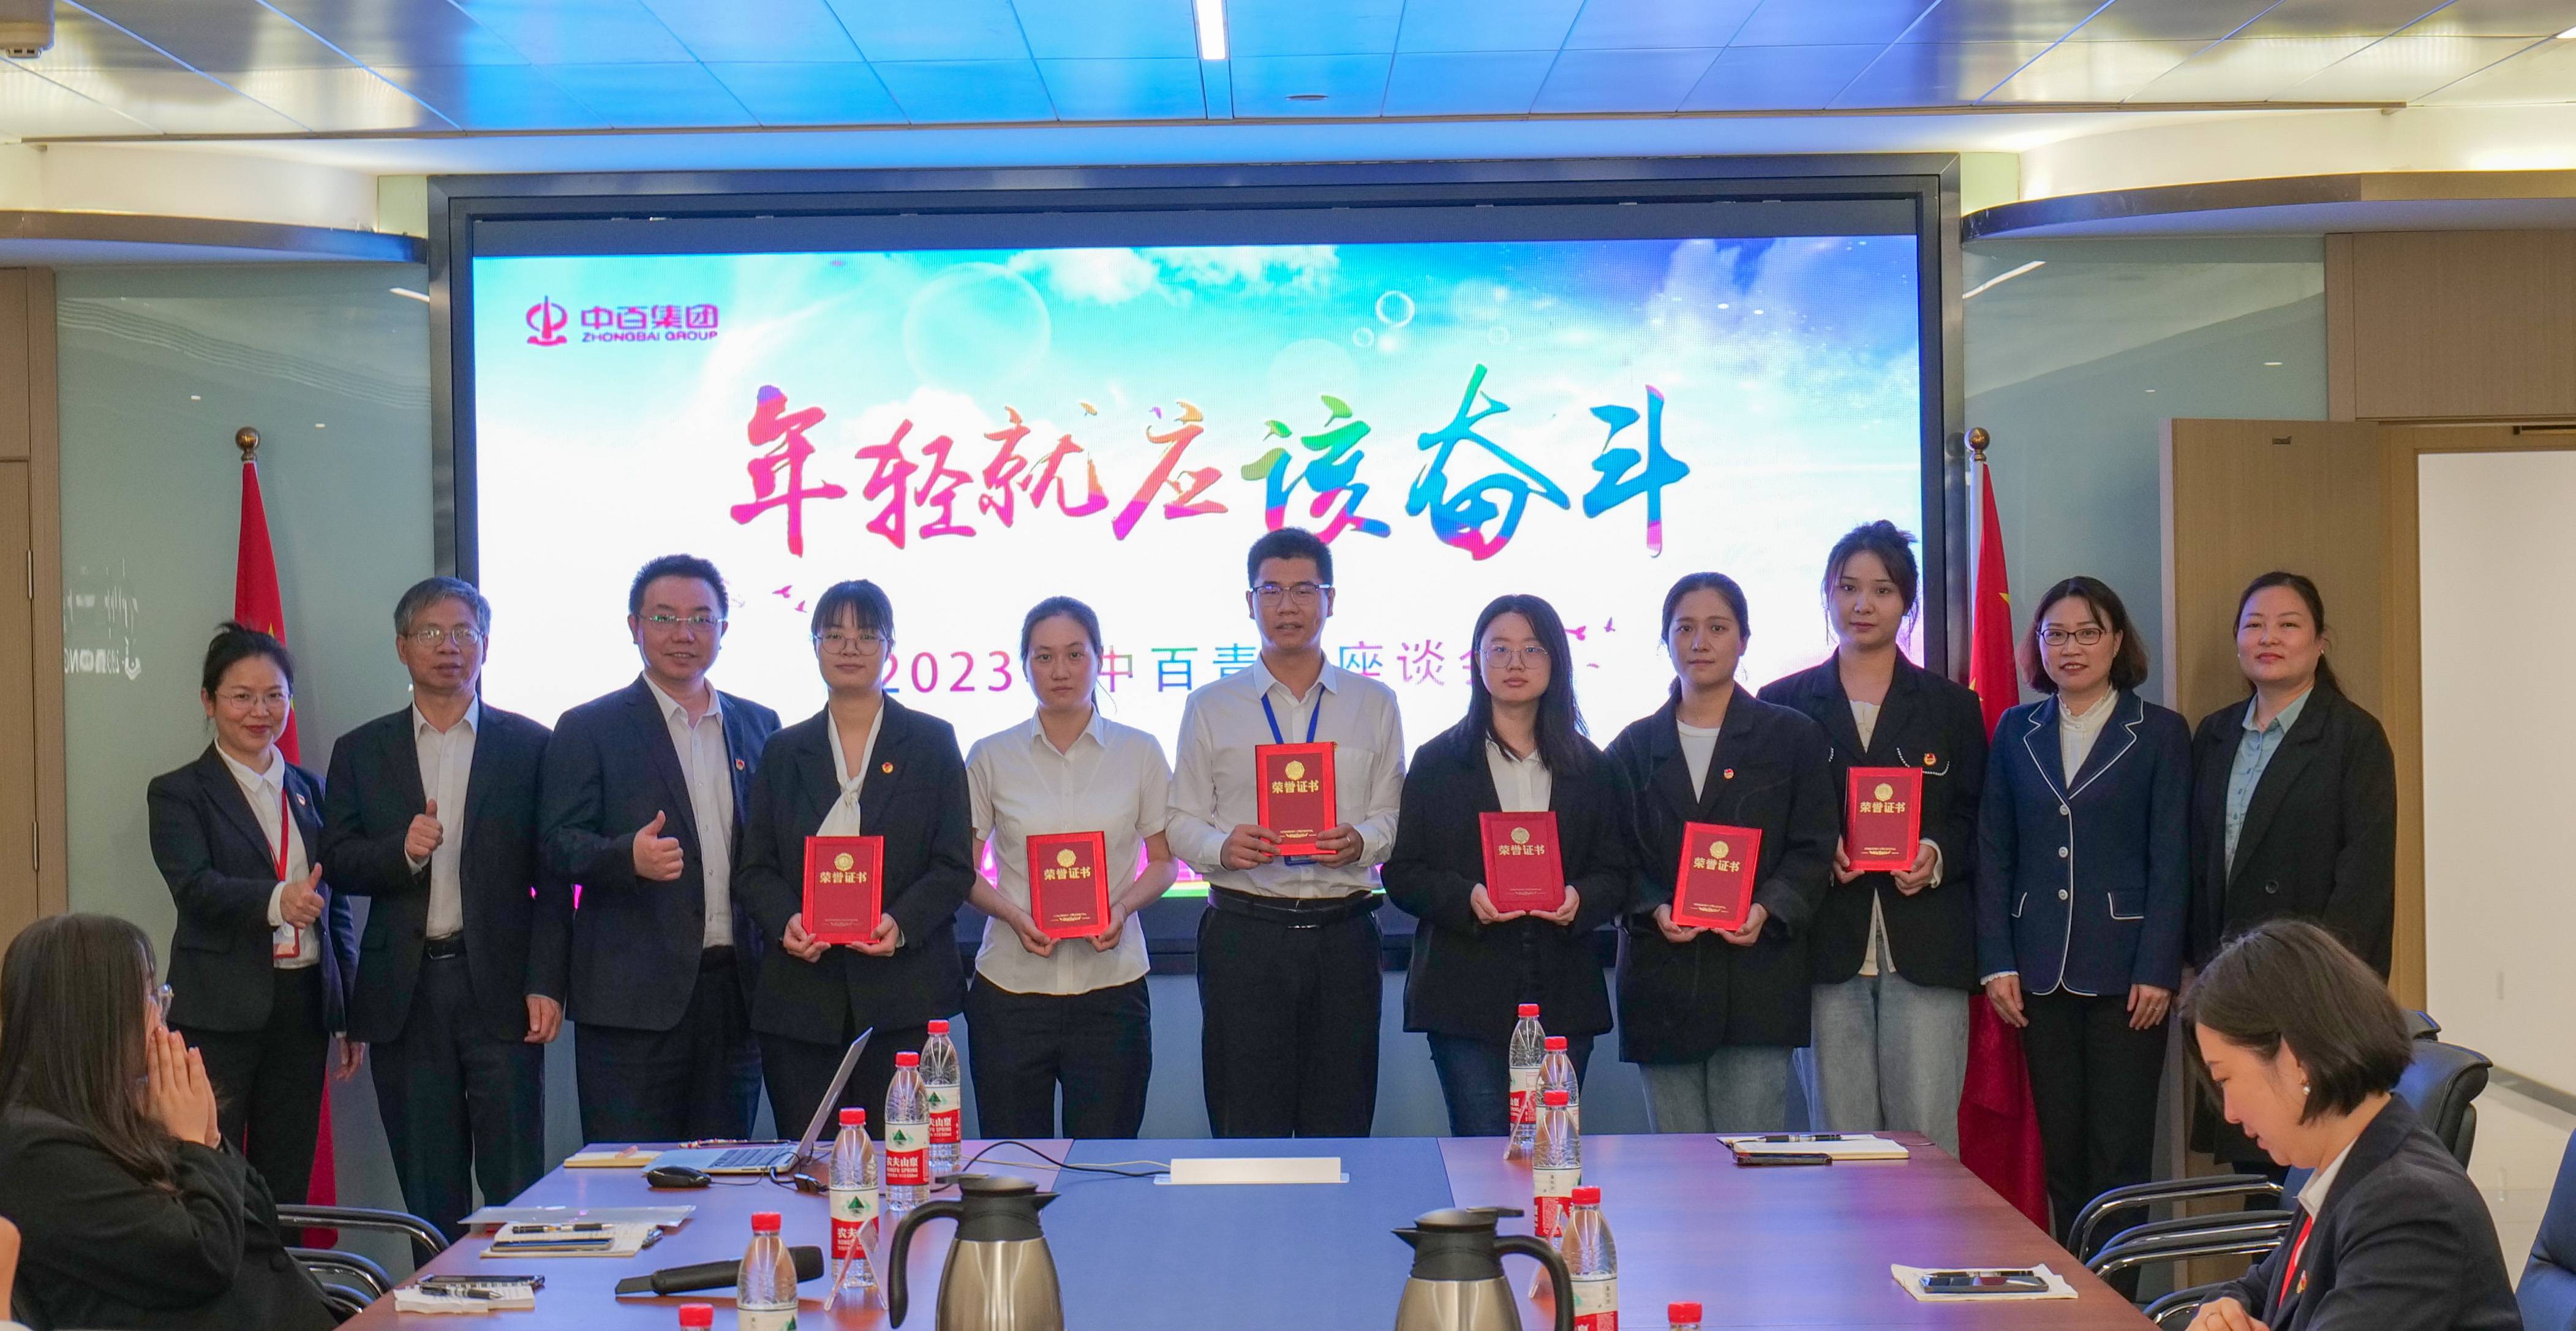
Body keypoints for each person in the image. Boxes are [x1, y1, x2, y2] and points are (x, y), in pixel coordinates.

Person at [319, 577, 563, 1238]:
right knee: (430, 1188)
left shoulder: (531, 746)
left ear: (485, 645)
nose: (449, 646)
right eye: (431, 632)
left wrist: (546, 981)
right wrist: (400, 852)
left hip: (503, 989)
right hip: (407, 992)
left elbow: (554, 877)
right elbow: (336, 862)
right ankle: (439, 1294)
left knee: (516, 1182)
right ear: (403, 647)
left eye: (464, 632)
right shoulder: (361, 750)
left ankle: (519, 1294)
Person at [1167, 526, 1406, 1137]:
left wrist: (1363, 840)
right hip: (1246, 935)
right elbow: (1181, 819)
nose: (1288, 605)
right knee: (1246, 1121)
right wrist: (1222, 847)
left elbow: (1393, 814)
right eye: (1271, 590)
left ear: (1331, 599)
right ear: (1250, 602)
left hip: (1344, 935)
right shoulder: (1210, 705)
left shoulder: (1374, 702)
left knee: (1342, 1121)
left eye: (1304, 590)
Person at [1760, 521, 1989, 1156]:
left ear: (1907, 601)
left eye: (1882, 590)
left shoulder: (1951, 706)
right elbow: (1765, 825)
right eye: (1848, 588)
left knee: (1927, 1139)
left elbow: (1979, 817)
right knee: (1840, 1138)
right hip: (1826, 944)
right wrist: (1815, 853)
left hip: (1927, 943)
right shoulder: (1782, 704)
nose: (1863, 604)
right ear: (1828, 595)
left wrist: (1936, 853)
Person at [1976, 575, 2190, 1243]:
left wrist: (2158, 966)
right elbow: (1993, 851)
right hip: (2039, 975)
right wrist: (1997, 961)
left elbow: (2173, 858)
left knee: (2120, 1157)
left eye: (2087, 633)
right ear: (2038, 645)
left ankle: (2120, 1294)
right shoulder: (2017, 730)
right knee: (2063, 1159)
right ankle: (2077, 1286)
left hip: (2129, 978)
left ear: (2117, 640)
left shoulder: (2159, 732)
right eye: (2056, 634)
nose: (2071, 648)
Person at [538, 554, 780, 1144]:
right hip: (631, 1004)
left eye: (701, 618)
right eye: (665, 617)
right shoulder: (589, 727)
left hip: (735, 996)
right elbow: (554, 845)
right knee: (632, 1178)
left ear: (723, 628)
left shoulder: (759, 724)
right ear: (635, 626)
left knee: (723, 1174)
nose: (684, 633)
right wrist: (626, 857)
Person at [0, 913, 336, 1330]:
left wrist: (211, 1138)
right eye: (148, 994)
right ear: (95, 1016)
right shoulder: (36, 1150)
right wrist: (192, 1143)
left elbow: (260, 1228)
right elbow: (205, 1261)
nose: (161, 1012)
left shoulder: (119, 1107)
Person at [2183, 920, 2521, 1331]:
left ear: (2296, 1059)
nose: (2231, 1113)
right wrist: (2221, 1310)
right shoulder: (2350, 1167)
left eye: (2225, 1079)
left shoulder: (2407, 1207)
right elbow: (2257, 1290)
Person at [1385, 594, 1636, 1136]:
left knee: (1552, 1151)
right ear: (1476, 661)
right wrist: (1465, 897)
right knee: (1483, 1157)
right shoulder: (1438, 762)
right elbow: (1402, 873)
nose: (1515, 662)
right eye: (1499, 649)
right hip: (1464, 994)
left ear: (1557, 661)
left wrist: (1579, 899)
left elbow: (1616, 872)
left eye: (1532, 649)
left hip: (1563, 990)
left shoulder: (1591, 766)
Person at [736, 579, 974, 1139]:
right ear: (815, 645)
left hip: (904, 998)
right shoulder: (783, 749)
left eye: (867, 635)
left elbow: (953, 865)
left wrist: (901, 923)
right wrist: (787, 921)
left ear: (891, 646)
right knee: (813, 1163)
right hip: (801, 1001)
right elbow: (754, 869)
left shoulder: (932, 741)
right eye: (834, 634)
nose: (850, 647)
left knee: (904, 1160)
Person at [1607, 573, 1834, 1133]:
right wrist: (1654, 906)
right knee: (1678, 1167)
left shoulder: (1793, 738)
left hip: (1758, 981)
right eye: (1684, 628)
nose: (1700, 642)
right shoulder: (1632, 748)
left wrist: (1768, 907)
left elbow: (1813, 846)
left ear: (1744, 639)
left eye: (1717, 627)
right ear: (1666, 640)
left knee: (1748, 1163)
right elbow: (1611, 857)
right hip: (1663, 984)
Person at [144, 622, 358, 1208]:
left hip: (303, 1006)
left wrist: (346, 1009)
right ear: (209, 701)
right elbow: (194, 888)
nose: (259, 712)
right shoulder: (178, 792)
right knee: (208, 1168)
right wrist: (275, 901)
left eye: (274, 696)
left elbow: (336, 903)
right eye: (242, 696)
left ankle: (279, 1267)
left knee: (286, 1174)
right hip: (219, 1008)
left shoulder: (312, 789)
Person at [961, 596, 1177, 1139]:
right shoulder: (990, 755)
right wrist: (1014, 915)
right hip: (1011, 991)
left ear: (1101, 659)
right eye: (1044, 656)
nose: (1060, 670)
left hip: (1112, 990)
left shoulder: (1140, 752)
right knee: (1015, 1165)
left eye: (1075, 654)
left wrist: (1122, 907)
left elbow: (1165, 861)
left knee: (1104, 1164)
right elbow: (962, 870)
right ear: (1024, 664)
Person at [2190, 571, 2397, 975]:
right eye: (2254, 625)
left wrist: (2329, 975)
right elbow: (2196, 861)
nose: (2269, 638)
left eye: (2288, 625)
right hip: (2221, 969)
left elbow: (2365, 878)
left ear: (2321, 642)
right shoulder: (2215, 733)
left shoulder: (2354, 736)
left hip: (2311, 973)